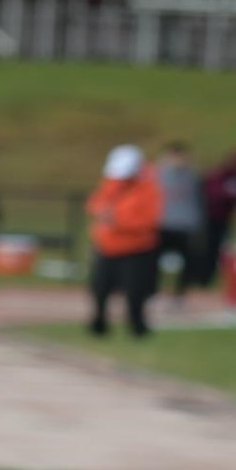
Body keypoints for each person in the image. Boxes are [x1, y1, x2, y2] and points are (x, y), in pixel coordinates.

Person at [85, 145, 163, 339]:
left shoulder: (150, 189)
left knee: (135, 291)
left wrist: (118, 221)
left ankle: (137, 327)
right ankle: (99, 323)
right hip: (107, 247)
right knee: (99, 287)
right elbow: (95, 202)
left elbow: (150, 220)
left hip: (136, 248)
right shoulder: (112, 184)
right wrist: (102, 212)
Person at [193, 150, 236, 289]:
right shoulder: (218, 176)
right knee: (207, 249)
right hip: (209, 218)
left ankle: (208, 279)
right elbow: (214, 194)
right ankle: (201, 278)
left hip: (224, 219)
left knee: (217, 250)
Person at [154, 142, 203, 304]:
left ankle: (179, 294)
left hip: (184, 225)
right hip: (163, 223)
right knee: (154, 260)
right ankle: (152, 291)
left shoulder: (191, 176)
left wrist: (196, 222)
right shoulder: (158, 174)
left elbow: (196, 201)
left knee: (187, 262)